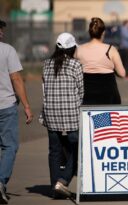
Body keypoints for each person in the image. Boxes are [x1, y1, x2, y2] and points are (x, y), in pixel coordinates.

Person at [41, 32, 83, 198]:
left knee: (55, 151)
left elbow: (44, 90)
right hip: (71, 113)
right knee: (77, 149)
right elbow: (81, 91)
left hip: (51, 111)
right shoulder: (75, 65)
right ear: (72, 48)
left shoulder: (46, 64)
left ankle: (55, 187)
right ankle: (63, 181)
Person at [0, 19, 33, 204]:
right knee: (9, 146)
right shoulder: (7, 50)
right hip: (5, 106)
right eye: (0, 30)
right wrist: (27, 106)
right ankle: (0, 181)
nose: (2, 33)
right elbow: (17, 79)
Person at [75, 17, 126, 105]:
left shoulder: (79, 49)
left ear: (89, 32)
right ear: (103, 33)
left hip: (86, 94)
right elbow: (122, 73)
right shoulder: (111, 49)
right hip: (108, 95)